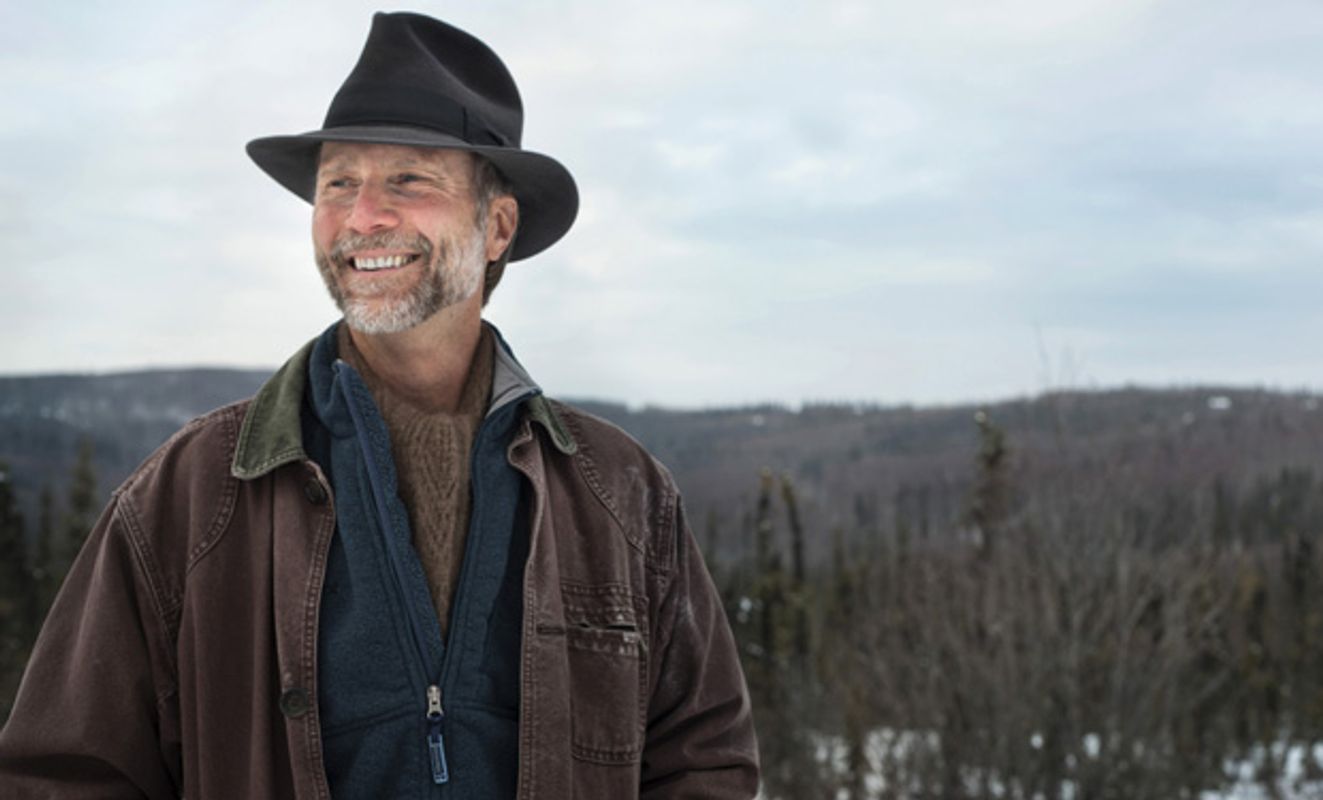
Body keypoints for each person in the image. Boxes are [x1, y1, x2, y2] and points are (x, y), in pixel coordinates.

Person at [0, 12, 759, 799]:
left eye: (408, 179)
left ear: (497, 225)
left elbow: (703, 761)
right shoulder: (192, 496)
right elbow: (64, 777)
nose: (363, 217)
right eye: (338, 184)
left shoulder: (620, 494)